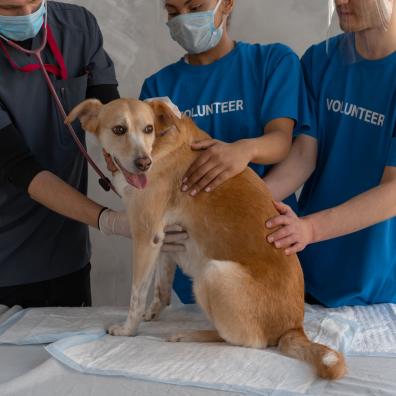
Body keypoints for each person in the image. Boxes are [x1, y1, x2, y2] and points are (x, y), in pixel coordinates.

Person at [0, 0, 183, 308]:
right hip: (7, 260)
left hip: (67, 254)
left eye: (33, 4)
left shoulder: (77, 26)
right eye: (9, 8)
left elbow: (109, 115)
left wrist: (139, 137)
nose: (26, 15)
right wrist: (110, 221)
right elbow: (19, 166)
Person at [138, 0, 312, 303]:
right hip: (195, 255)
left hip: (262, 240)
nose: (184, 20)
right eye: (173, 12)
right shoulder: (157, 89)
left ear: (227, 4)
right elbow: (148, 173)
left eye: (194, 8)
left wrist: (245, 150)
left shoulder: (272, 61)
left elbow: (282, 142)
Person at [264, 0, 396, 307]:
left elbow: (393, 191)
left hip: (380, 290)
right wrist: (239, 203)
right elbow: (302, 157)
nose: (341, 2)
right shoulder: (320, 60)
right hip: (308, 274)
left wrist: (310, 228)